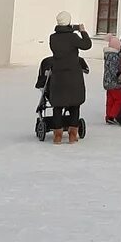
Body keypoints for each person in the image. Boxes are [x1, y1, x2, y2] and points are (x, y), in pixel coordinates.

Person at [46, 12, 91, 144]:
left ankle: (57, 136)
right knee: (74, 104)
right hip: (73, 75)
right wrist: (82, 31)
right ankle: (72, 135)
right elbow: (87, 45)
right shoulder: (73, 37)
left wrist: (71, 29)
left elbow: (62, 39)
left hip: (58, 75)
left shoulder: (53, 38)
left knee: (58, 105)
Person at [102, 35, 121, 124]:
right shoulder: (114, 56)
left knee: (110, 100)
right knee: (120, 99)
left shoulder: (108, 55)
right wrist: (119, 75)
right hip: (114, 82)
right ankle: (113, 115)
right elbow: (114, 69)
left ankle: (108, 116)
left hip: (107, 81)